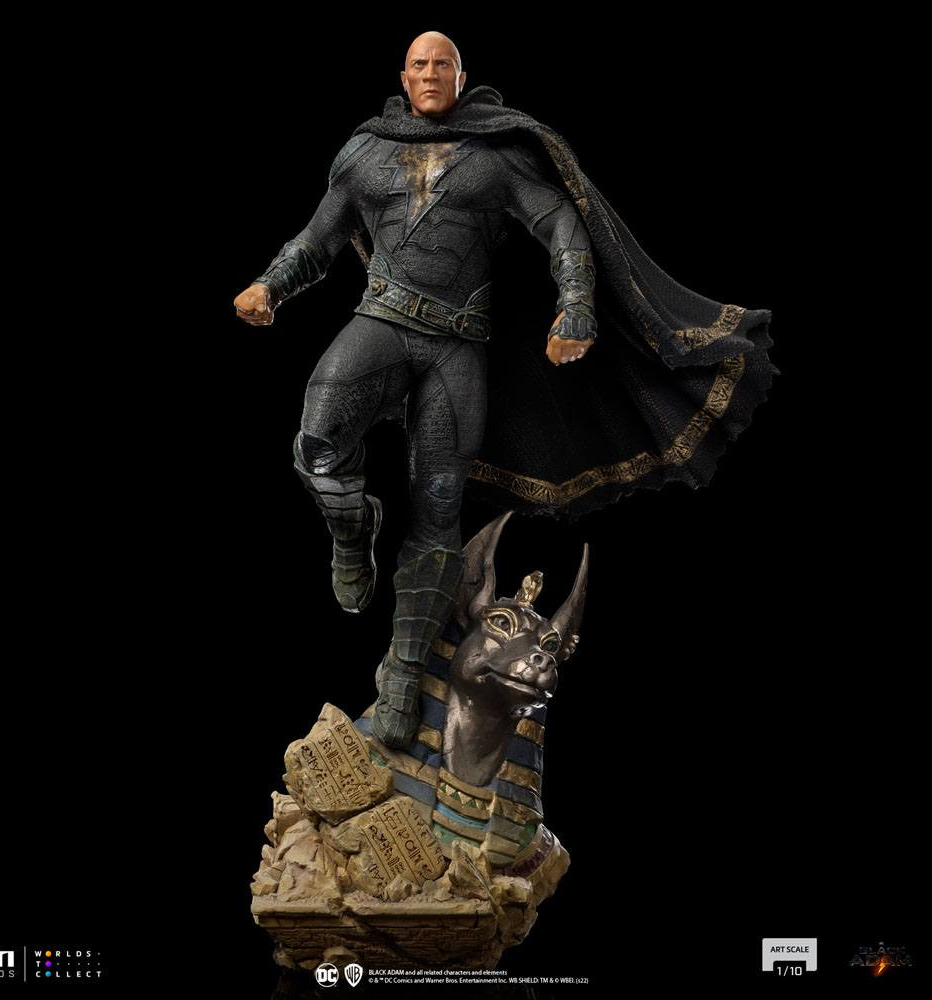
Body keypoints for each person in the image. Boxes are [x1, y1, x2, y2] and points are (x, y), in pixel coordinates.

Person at [235, 31, 776, 750]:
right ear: (403, 76)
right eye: (420, 64)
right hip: (382, 323)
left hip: (457, 346)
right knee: (318, 439)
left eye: (444, 65)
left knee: (439, 507)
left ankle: (402, 675)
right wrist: (271, 284)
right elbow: (319, 237)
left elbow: (562, 225)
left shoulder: (496, 153)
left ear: (463, 77)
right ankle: (351, 527)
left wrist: (576, 307)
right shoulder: (365, 150)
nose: (431, 74)